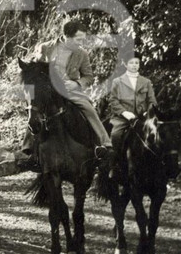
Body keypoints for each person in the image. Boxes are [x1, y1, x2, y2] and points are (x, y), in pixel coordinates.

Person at [20, 20, 113, 170]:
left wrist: (77, 84)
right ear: (66, 36)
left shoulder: (82, 53)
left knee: (88, 108)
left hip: (71, 90)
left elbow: (89, 76)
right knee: (35, 109)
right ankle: (30, 151)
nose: (80, 42)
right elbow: (35, 70)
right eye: (78, 39)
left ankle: (103, 145)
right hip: (49, 91)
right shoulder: (45, 48)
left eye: (82, 39)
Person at [105, 56, 158, 160]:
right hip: (122, 119)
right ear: (125, 64)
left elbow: (152, 101)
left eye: (137, 63)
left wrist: (148, 112)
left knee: (157, 135)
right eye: (131, 63)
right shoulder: (117, 82)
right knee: (115, 136)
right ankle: (113, 165)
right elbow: (113, 101)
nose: (134, 65)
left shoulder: (146, 82)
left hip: (143, 119)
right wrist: (125, 113)